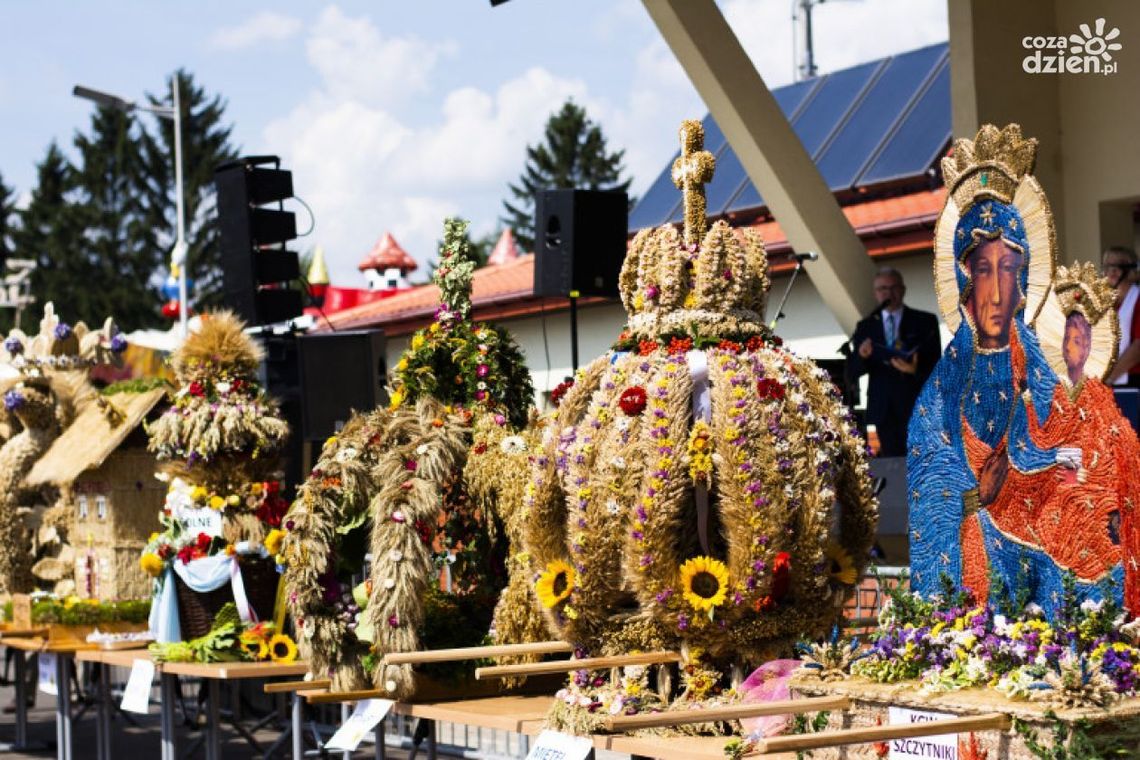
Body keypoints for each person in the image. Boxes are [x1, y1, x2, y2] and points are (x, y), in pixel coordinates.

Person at [907, 124, 1115, 614]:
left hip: (1043, 534)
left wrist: (1060, 474)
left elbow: (1071, 452)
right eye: (983, 269)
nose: (997, 292)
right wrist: (978, 498)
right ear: (963, 279)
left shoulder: (1038, 372)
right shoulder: (940, 395)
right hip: (981, 557)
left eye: (1008, 268)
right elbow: (931, 495)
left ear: (1024, 279)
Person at [845, 267, 939, 457]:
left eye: (894, 287)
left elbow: (937, 364)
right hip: (883, 407)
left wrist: (914, 370)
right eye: (883, 289)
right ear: (875, 293)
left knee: (921, 459)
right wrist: (862, 356)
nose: (889, 293)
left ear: (903, 290)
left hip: (916, 403)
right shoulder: (866, 326)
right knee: (892, 462)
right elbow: (852, 371)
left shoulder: (924, 321)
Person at [1103, 245, 1140, 387]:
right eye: (1108, 265)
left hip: (1133, 379)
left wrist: (1110, 377)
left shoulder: (1137, 299)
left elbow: (1138, 347)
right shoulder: (1106, 303)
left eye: (1120, 265)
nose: (1113, 270)